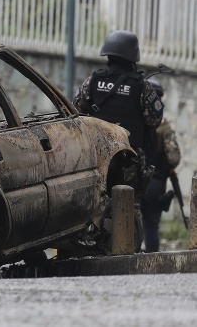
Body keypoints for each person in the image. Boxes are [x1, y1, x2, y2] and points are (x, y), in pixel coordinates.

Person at [73, 29, 164, 189]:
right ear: (133, 57)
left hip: (97, 157)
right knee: (129, 205)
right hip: (129, 158)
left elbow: (75, 110)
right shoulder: (142, 86)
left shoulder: (93, 81)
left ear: (108, 55)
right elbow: (154, 119)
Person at [140, 78, 182, 252]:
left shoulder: (135, 123)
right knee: (151, 226)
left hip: (133, 179)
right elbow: (174, 158)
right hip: (155, 181)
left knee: (128, 224)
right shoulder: (163, 127)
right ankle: (151, 269)